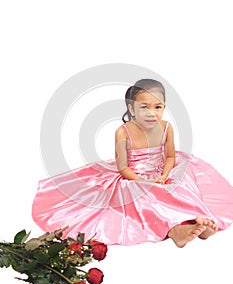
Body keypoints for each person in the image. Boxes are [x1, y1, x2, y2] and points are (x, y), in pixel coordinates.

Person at [32, 79, 233, 248]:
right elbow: (123, 168)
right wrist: (145, 181)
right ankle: (174, 230)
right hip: (133, 174)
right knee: (142, 194)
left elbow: (170, 157)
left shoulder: (166, 128)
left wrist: (163, 175)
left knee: (182, 183)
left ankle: (199, 219)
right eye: (144, 107)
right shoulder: (123, 132)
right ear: (131, 108)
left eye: (158, 107)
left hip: (162, 170)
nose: (151, 113)